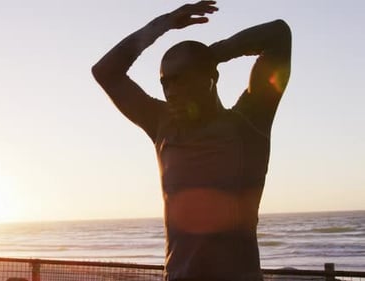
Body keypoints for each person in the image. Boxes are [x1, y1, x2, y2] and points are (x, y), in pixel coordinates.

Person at [91, 1, 291, 281]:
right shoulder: (162, 125)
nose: (171, 91)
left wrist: (214, 54)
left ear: (211, 77)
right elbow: (105, 71)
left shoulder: (250, 123)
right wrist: (163, 24)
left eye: (181, 79)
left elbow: (279, 35)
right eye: (165, 83)